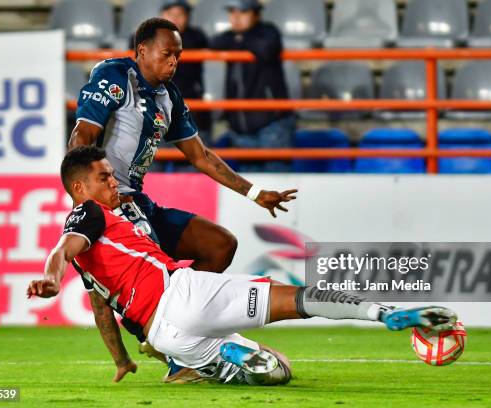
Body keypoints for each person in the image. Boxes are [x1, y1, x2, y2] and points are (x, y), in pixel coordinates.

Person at [27, 146, 458, 385]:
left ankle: (227, 357)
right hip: (182, 291)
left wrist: (121, 360)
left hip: (165, 336)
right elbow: (61, 249)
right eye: (104, 176)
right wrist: (49, 278)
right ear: (80, 187)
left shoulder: (96, 243)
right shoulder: (88, 214)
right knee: (302, 299)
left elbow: (99, 305)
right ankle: (384, 313)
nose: (113, 180)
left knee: (278, 371)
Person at [69, 17, 297, 381]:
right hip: (113, 206)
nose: (174, 62)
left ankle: (183, 324)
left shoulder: (169, 95)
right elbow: (83, 135)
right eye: (167, 54)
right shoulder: (114, 77)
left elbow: (200, 156)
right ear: (142, 51)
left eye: (179, 55)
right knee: (146, 281)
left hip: (139, 201)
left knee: (220, 245)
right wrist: (90, 202)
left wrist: (254, 193)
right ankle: (175, 354)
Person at [211, 0, 296, 172]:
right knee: (252, 191)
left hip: (272, 124)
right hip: (240, 127)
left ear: (256, 14)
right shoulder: (232, 36)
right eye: (232, 12)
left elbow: (264, 49)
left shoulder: (269, 32)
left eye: (242, 12)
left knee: (277, 186)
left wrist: (240, 39)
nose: (236, 17)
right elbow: (214, 43)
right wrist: (240, 39)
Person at [157, 0, 212, 147]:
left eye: (180, 14)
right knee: (152, 162)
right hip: (157, 110)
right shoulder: (145, 37)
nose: (175, 18)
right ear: (162, 15)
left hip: (191, 109)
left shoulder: (197, 37)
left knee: (196, 162)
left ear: (188, 17)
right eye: (170, 14)